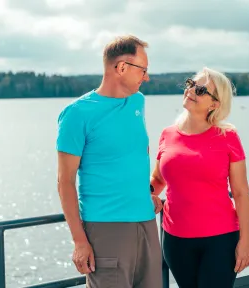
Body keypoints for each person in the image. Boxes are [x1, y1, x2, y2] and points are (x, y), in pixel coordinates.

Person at [56, 35, 163, 288]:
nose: (146, 77)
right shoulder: (77, 114)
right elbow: (65, 182)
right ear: (121, 68)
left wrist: (142, 194)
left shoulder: (137, 101)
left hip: (147, 225)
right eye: (143, 70)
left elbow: (127, 157)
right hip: (106, 229)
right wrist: (79, 241)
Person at [150, 67, 249, 287]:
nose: (191, 91)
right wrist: (146, 195)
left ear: (215, 104)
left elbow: (241, 192)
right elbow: (158, 180)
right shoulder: (167, 134)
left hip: (220, 240)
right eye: (190, 84)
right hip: (175, 239)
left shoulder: (228, 137)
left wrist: (245, 241)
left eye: (201, 90)